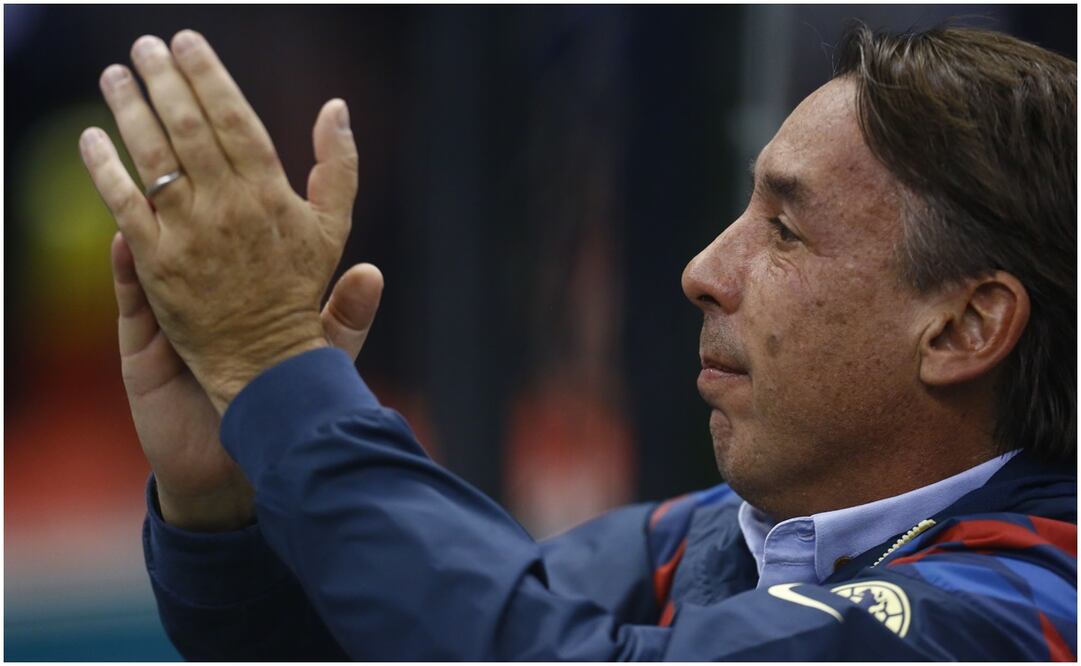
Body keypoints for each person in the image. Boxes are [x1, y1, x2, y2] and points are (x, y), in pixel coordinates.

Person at [80, 22, 1076, 660]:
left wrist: (281, 375)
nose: (702, 269)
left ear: (964, 327)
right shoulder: (710, 537)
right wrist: (226, 514)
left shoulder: (1024, 609)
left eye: (783, 230)